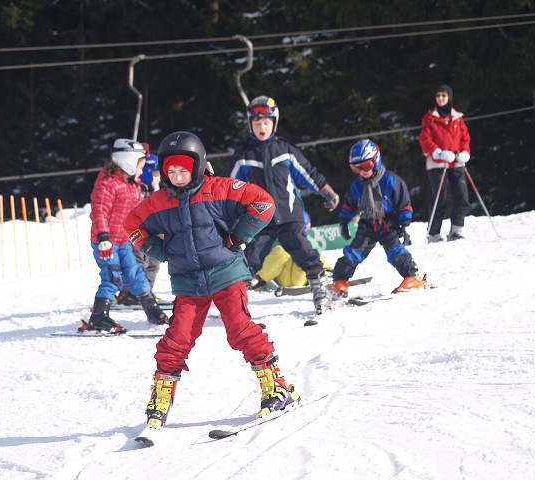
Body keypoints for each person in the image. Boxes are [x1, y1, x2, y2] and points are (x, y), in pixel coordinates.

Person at [124, 131, 300, 430]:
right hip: (187, 283)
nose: (178, 177)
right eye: (171, 171)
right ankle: (161, 398)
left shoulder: (219, 188)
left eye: (183, 170)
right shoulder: (160, 201)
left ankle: (278, 387)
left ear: (198, 166)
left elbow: (264, 203)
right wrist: (158, 250)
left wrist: (239, 236)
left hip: (226, 273)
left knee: (240, 329)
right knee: (177, 338)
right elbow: (132, 225)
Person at [224, 95, 340, 315]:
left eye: (266, 122)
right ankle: (236, 305)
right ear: (250, 124)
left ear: (274, 123)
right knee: (250, 258)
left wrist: (326, 191)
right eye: (257, 123)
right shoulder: (244, 154)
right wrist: (221, 212)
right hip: (259, 218)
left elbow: (308, 173)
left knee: (302, 249)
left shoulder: (284, 149)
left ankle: (321, 291)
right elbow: (229, 186)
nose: (262, 127)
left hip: (289, 215)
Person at [80, 138, 169, 334]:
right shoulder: (107, 183)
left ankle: (152, 310)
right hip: (106, 242)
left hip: (124, 241)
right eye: (140, 166)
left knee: (136, 274)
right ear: (128, 162)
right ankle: (98, 317)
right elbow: (99, 211)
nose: (141, 171)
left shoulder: (131, 185)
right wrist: (103, 238)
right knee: (113, 278)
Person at [331, 139, 428, 298]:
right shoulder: (357, 185)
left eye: (366, 166)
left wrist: (404, 223)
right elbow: (350, 205)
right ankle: (340, 280)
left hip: (388, 222)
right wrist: (344, 222)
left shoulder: (391, 181)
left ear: (376, 160)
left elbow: (404, 205)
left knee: (395, 251)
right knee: (354, 252)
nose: (362, 171)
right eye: (356, 168)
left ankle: (412, 277)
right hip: (367, 223)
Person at [419, 84, 472, 243]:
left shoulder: (457, 117)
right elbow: (425, 139)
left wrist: (465, 153)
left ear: (449, 97)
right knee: (440, 198)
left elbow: (465, 138)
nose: (440, 98)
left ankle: (456, 230)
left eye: (443, 95)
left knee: (462, 196)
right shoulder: (430, 118)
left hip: (455, 162)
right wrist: (438, 152)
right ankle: (434, 234)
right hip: (438, 164)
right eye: (438, 96)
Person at [115, 144, 163, 306]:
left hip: (152, 232)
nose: (159, 178)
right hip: (136, 233)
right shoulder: (136, 188)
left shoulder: (154, 190)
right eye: (156, 174)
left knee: (153, 263)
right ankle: (128, 293)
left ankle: (146, 292)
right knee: (137, 263)